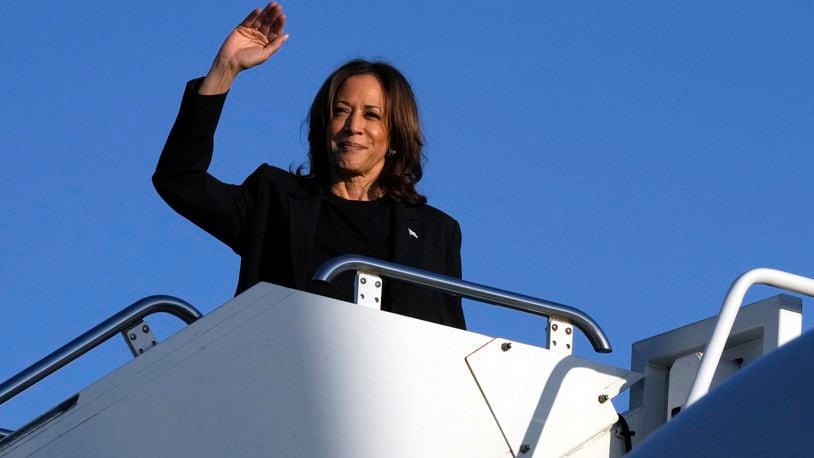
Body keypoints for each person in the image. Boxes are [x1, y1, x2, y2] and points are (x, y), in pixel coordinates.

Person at [153, 3, 465, 329]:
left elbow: (450, 340)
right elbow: (179, 180)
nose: (352, 126)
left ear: (396, 135)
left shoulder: (436, 232)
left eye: (371, 115)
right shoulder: (273, 200)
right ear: (323, 124)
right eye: (341, 111)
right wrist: (224, 69)